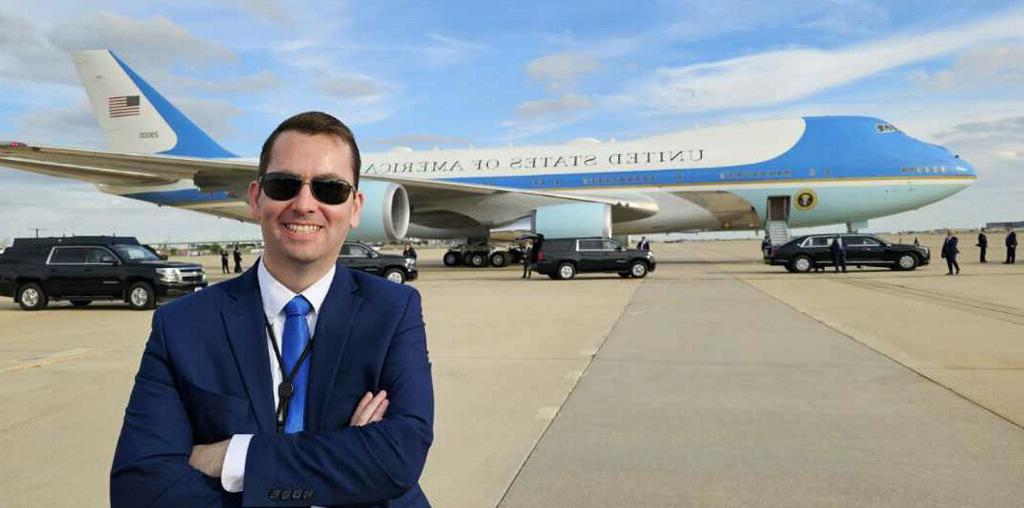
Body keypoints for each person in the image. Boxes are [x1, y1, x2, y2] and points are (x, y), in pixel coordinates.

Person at [110, 111, 434, 507]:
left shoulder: (393, 310)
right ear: (255, 198)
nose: (304, 204)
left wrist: (235, 456)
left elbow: (396, 461)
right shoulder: (182, 325)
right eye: (284, 185)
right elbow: (140, 487)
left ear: (354, 208)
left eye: (329, 190)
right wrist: (348, 452)